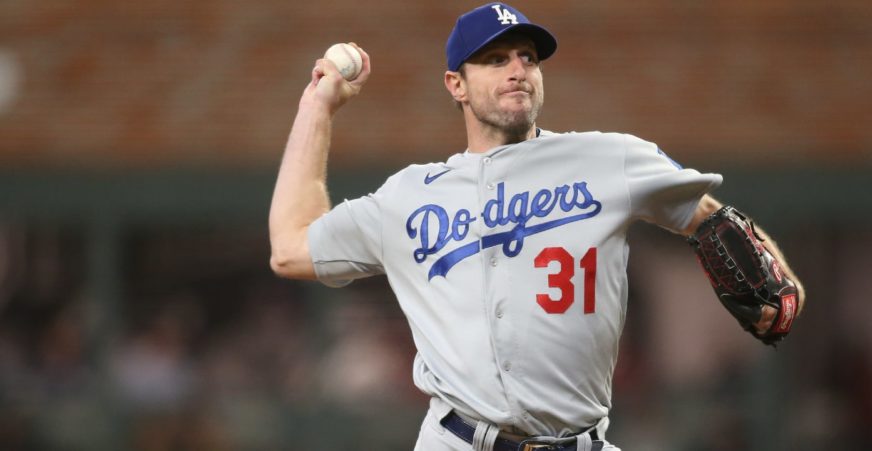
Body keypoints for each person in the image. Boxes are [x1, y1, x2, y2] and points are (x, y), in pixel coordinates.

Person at [268, 3, 804, 450]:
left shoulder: (608, 158)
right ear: (456, 84)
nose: (518, 69)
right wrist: (317, 108)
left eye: (528, 57)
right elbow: (290, 248)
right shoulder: (408, 197)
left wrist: (777, 283)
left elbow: (710, 218)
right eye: (495, 59)